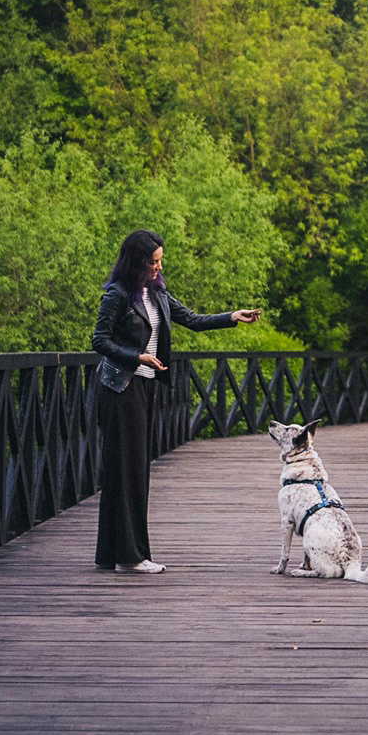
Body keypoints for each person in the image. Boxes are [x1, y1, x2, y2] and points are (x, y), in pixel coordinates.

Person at [92, 229, 259, 572]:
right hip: (121, 388)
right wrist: (136, 357)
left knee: (132, 470)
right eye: (153, 262)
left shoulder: (157, 292)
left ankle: (114, 554)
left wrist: (231, 317)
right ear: (137, 261)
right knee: (129, 471)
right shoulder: (117, 295)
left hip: (145, 386)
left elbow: (192, 321)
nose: (158, 266)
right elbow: (99, 341)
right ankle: (131, 557)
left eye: (160, 261)